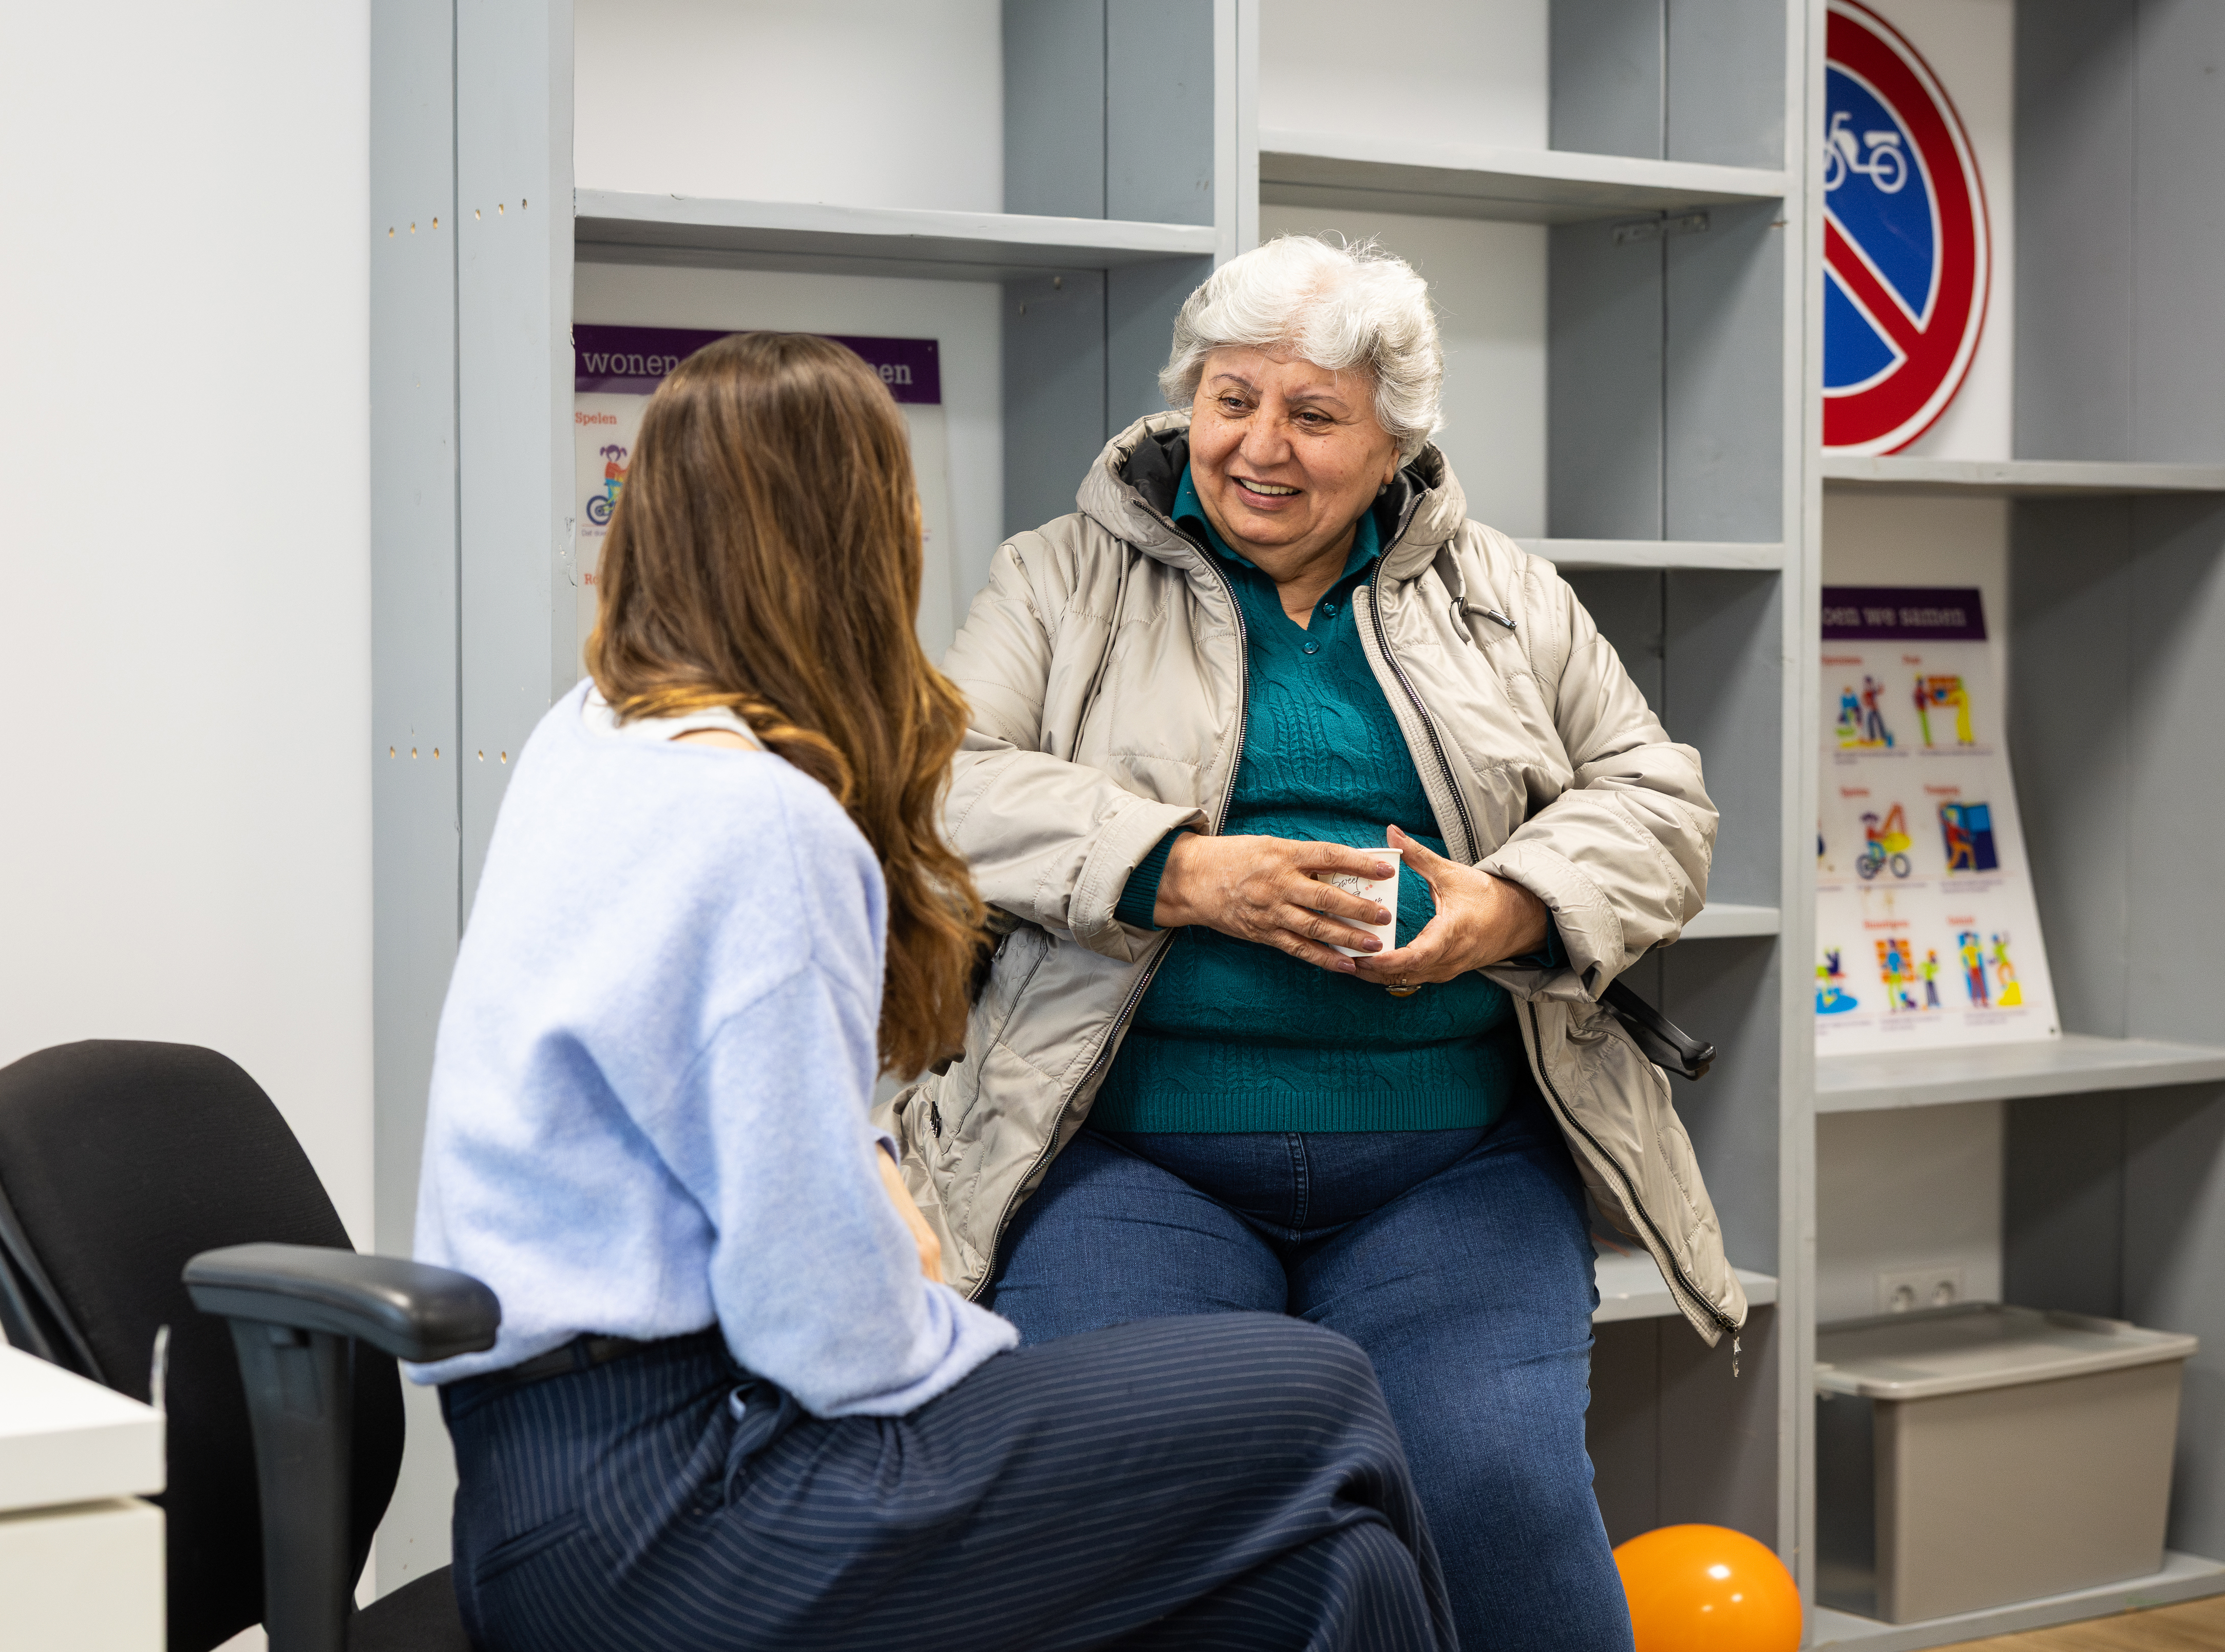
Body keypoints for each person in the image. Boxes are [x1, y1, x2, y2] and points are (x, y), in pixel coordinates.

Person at [408, 331, 1456, 1652]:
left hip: (543, 1499)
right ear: (863, 542)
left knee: (1328, 1577)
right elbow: (835, 1335)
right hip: (691, 1512)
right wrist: (984, 1350)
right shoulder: (761, 824)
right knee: (1323, 1387)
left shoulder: (597, 734)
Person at [882, 237, 1749, 1652]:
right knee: (1128, 1504)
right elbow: (938, 786)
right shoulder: (1060, 578)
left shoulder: (1502, 594)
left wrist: (1510, 904)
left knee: (1494, 1489)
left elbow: (1661, 801)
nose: (1259, 447)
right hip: (1129, 1154)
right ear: (1189, 399)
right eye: (1232, 400)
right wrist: (1173, 867)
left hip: (1448, 1166)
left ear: (1396, 437)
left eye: (1314, 414)